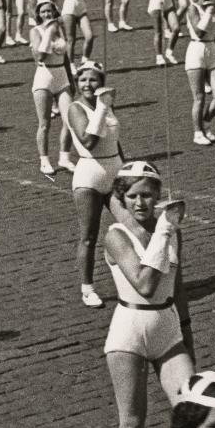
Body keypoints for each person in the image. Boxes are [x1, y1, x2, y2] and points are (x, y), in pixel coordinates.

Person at [103, 162, 195, 428]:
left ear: (158, 195)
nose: (140, 202)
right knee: (133, 421)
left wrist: (186, 336)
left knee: (190, 412)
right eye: (132, 196)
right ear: (122, 199)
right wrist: (164, 231)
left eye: (146, 194)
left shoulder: (171, 231)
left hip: (167, 330)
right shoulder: (116, 236)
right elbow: (144, 284)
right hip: (129, 332)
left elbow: (177, 287)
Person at [67, 61, 126, 307]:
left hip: (115, 171)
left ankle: (128, 274)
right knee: (89, 236)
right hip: (89, 176)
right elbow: (88, 142)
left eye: (93, 79)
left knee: (132, 225)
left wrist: (126, 170)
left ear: (101, 82)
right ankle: (88, 288)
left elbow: (114, 139)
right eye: (83, 80)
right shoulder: (75, 108)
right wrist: (102, 107)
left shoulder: (106, 103)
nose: (88, 84)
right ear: (77, 83)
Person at [30, 0, 75, 176]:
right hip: (44, 78)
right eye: (43, 11)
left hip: (61, 77)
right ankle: (44, 161)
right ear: (38, 14)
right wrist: (49, 32)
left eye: (49, 11)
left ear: (54, 11)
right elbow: (39, 56)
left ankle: (64, 157)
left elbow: (65, 57)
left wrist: (71, 79)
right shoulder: (35, 31)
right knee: (44, 124)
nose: (47, 14)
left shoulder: (60, 29)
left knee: (70, 120)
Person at [185, 0, 215, 146]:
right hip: (196, 51)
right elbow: (199, 32)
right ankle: (198, 132)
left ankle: (205, 122)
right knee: (199, 97)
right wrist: (208, 13)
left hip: (212, 52)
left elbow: (214, 33)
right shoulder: (192, 9)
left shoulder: (213, 8)